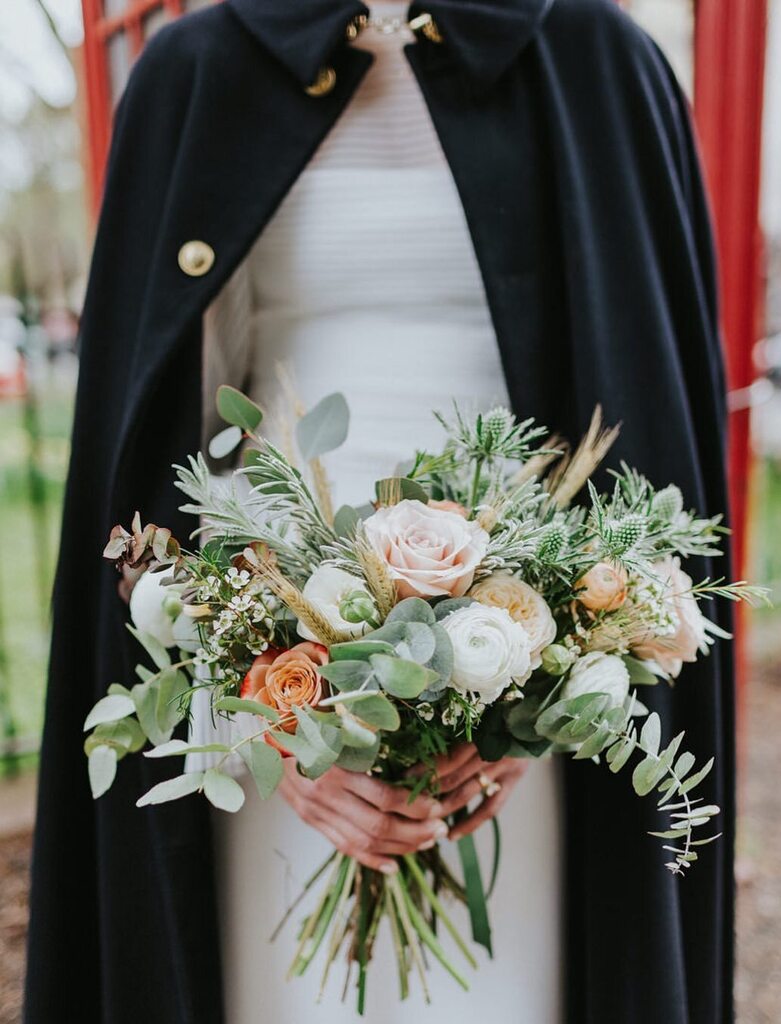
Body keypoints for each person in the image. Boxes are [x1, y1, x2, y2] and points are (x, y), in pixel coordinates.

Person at [25, 1, 734, 1022]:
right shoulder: (194, 70)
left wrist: (531, 694)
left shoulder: (602, 61)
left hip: (524, 714)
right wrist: (269, 704)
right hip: (274, 678)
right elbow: (159, 443)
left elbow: (650, 414)